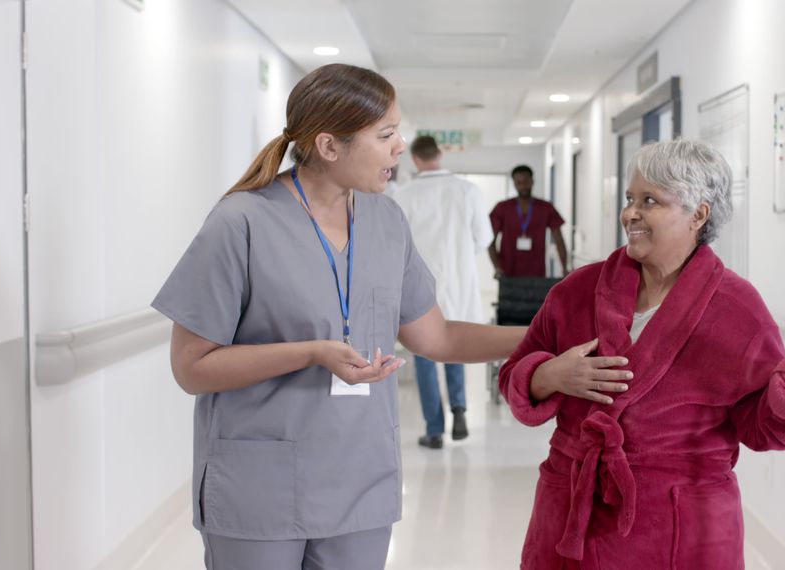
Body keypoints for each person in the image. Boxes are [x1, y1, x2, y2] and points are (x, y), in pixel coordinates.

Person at [152, 63, 524, 570]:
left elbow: (434, 336)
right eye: (386, 133)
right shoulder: (240, 222)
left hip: (361, 482)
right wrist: (313, 352)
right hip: (261, 489)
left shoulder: (387, 220)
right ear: (330, 146)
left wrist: (543, 334)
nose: (400, 146)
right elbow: (191, 367)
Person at [498, 139, 785, 569]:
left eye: (650, 201)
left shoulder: (736, 308)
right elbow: (512, 376)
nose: (630, 214)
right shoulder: (576, 292)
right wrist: (551, 375)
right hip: (570, 515)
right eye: (629, 199)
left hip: (680, 525)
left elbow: (763, 426)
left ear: (699, 213)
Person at [393, 135, 493, 449]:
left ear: (416, 159)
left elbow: (397, 245)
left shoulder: (404, 195)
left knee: (424, 354)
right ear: (439, 154)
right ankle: (459, 409)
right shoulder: (468, 191)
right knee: (455, 346)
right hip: (460, 282)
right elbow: (483, 239)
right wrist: (460, 255)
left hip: (419, 286)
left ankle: (434, 430)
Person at [488, 165, 569, 278]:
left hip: (537, 272)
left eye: (526, 181)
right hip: (507, 272)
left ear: (532, 181)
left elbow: (559, 240)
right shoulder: (502, 208)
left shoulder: (545, 208)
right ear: (514, 184)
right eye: (519, 182)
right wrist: (497, 267)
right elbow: (490, 241)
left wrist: (565, 268)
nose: (523, 186)